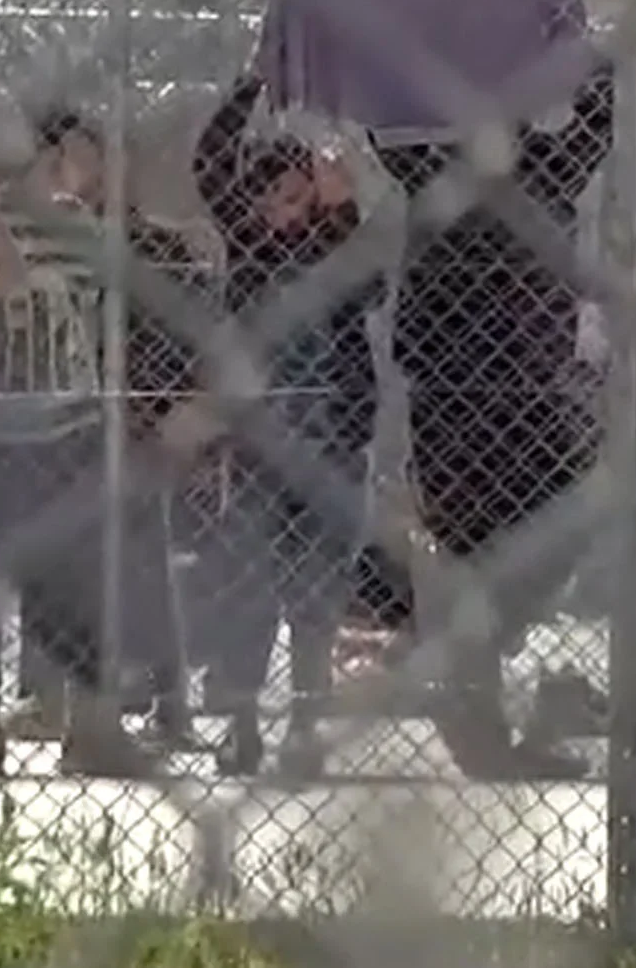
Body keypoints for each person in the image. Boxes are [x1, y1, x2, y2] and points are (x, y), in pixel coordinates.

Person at [0, 103, 204, 774]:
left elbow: (95, 311)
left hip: (69, 427)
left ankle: (84, 729)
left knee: (75, 584)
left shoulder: (78, 229)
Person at [370, 66, 612, 780]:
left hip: (527, 393)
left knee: (558, 526)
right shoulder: (435, 169)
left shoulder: (541, 166)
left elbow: (597, 119)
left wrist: (599, 41)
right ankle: (481, 726)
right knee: (471, 551)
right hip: (453, 392)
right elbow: (384, 122)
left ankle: (471, 672)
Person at [192, 74, 381, 776]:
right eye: (271, 197)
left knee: (318, 589)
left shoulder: (336, 248)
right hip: (260, 447)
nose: (283, 210)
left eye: (298, 196)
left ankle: (305, 723)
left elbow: (370, 288)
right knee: (248, 585)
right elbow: (210, 163)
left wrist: (343, 207)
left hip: (331, 445)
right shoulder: (250, 252)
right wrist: (259, 79)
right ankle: (243, 722)